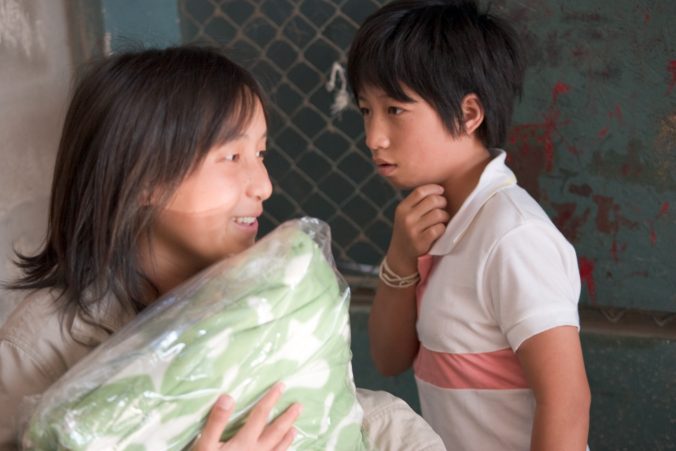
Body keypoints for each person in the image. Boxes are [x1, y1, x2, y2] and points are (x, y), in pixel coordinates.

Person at [0, 45, 444, 451]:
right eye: (232, 157)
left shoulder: (272, 296)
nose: (264, 186)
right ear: (142, 178)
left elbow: (334, 411)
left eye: (261, 154)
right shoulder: (41, 343)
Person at [347, 1, 591, 450]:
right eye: (366, 110)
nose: (373, 137)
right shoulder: (433, 221)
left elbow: (568, 401)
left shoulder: (513, 236)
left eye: (395, 110)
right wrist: (400, 257)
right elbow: (389, 358)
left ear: (469, 114)